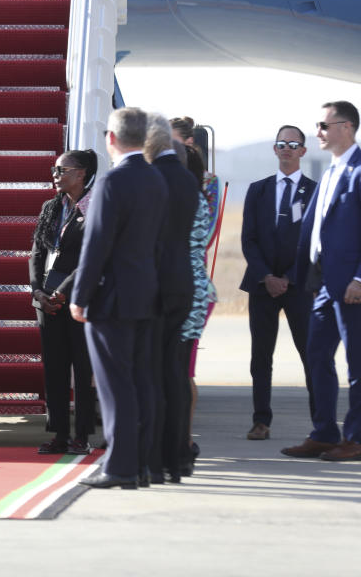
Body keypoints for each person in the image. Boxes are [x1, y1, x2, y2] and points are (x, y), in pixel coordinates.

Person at [70, 107, 168, 489]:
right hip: (149, 295)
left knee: (113, 386)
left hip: (112, 299)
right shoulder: (158, 180)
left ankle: (120, 465)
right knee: (142, 382)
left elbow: (97, 245)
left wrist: (80, 296)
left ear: (111, 139)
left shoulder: (112, 183)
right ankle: (142, 462)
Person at [282, 100, 361, 462]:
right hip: (324, 283)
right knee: (317, 355)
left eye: (325, 126)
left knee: (357, 363)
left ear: (347, 128)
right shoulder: (331, 171)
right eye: (319, 125)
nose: (319, 132)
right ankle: (324, 433)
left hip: (353, 285)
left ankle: (356, 440)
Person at [239, 125, 316, 442]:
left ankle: (322, 421)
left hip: (299, 286)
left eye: (293, 144)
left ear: (303, 151)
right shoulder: (258, 190)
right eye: (281, 143)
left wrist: (289, 278)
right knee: (261, 356)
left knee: (311, 355)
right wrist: (266, 276)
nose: (287, 148)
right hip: (262, 285)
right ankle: (261, 420)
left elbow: (315, 241)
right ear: (274, 149)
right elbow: (249, 239)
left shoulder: (315, 191)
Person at [28, 150, 98, 455]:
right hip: (47, 299)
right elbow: (37, 253)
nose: (55, 174)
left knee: (82, 368)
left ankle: (81, 434)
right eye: (54, 169)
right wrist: (36, 291)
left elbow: (94, 257)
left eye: (62, 169)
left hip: (79, 298)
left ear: (81, 173)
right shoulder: (51, 207)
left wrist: (65, 291)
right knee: (54, 369)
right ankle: (58, 432)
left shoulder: (96, 208)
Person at [143, 113, 198, 484]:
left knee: (152, 378)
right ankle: (177, 458)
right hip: (184, 286)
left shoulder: (150, 179)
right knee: (175, 377)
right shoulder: (190, 182)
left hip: (154, 287)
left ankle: (156, 461)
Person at [178, 146, 218, 472]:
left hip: (189, 296)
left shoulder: (191, 201)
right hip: (186, 293)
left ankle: (185, 439)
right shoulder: (187, 198)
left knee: (183, 371)